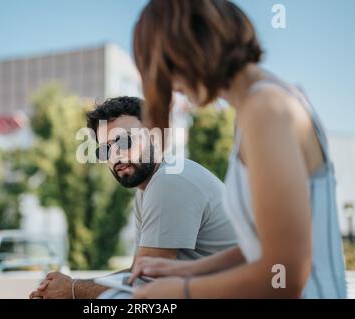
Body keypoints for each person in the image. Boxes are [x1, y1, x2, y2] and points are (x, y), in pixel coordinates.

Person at [129, 0, 347, 298]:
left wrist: (181, 292)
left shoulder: (264, 109)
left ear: (190, 48)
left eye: (168, 68)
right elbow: (260, 246)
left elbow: (285, 275)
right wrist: (185, 270)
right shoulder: (261, 104)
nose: (173, 86)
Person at [29, 96, 237, 299]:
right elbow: (138, 273)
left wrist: (73, 290)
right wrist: (67, 289)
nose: (115, 155)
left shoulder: (169, 181)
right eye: (105, 149)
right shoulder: (149, 188)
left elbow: (149, 285)